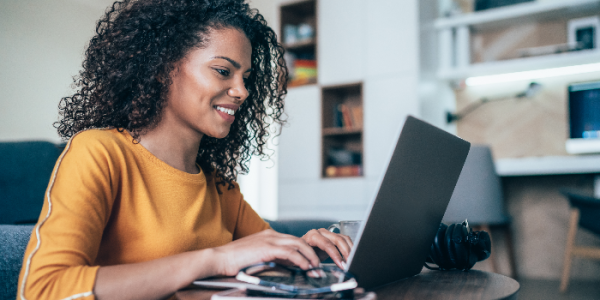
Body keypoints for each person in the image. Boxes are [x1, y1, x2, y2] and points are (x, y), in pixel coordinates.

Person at [17, 1, 353, 299]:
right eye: (223, 71)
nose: (242, 91)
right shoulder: (100, 153)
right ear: (164, 68)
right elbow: (43, 290)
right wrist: (215, 258)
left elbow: (268, 260)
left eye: (246, 78)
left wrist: (306, 249)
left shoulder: (221, 189)